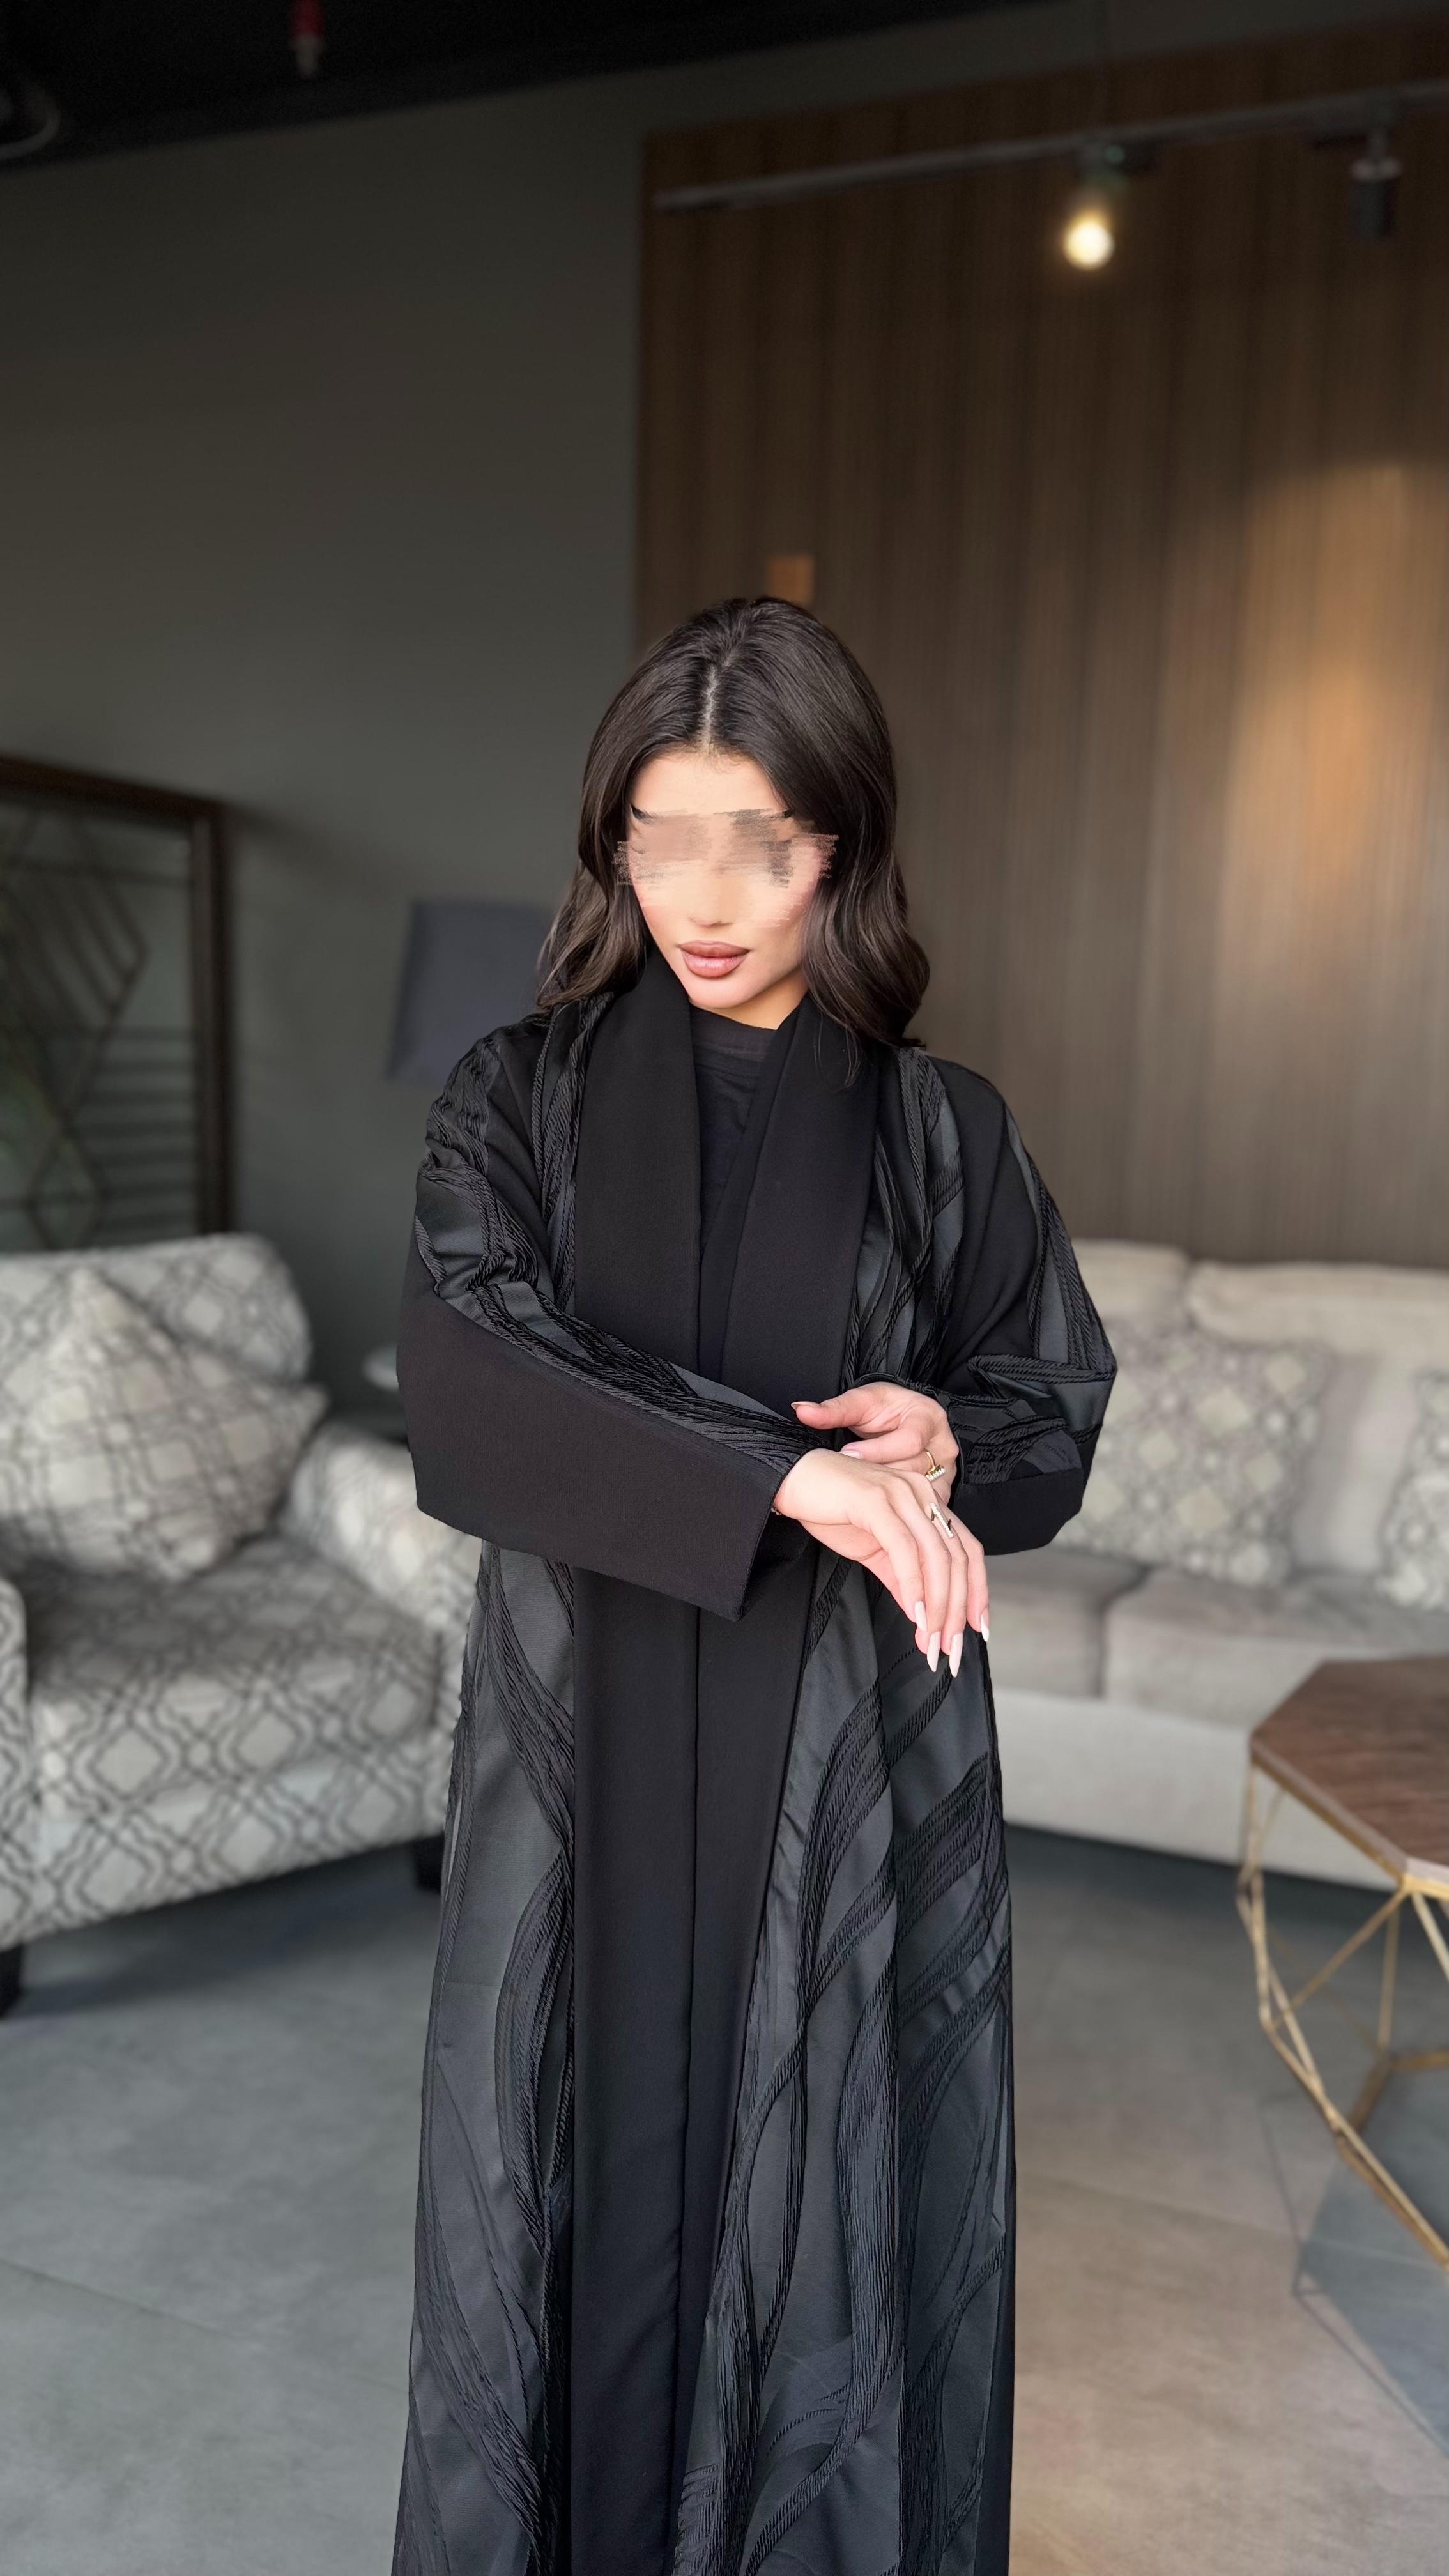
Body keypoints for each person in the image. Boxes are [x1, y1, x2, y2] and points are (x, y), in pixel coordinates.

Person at [391, 599, 1115, 2576]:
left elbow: (1047, 1403)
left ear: (843, 847)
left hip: (836, 1761)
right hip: (593, 1749)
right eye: (660, 838)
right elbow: (470, 1376)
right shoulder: (515, 1098)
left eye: (761, 845)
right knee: (570, 2197)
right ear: (610, 844)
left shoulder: (940, 1131)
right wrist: (786, 1474)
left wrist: (944, 1437)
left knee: (819, 2225)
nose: (705, 899)